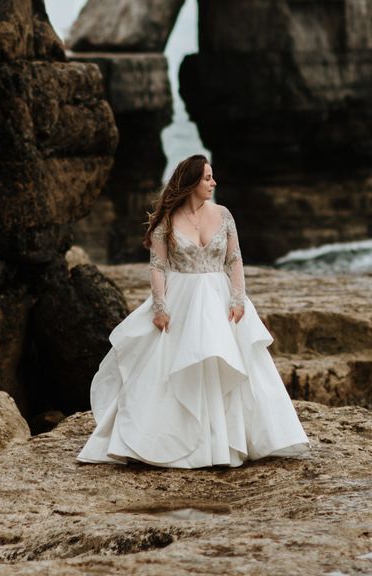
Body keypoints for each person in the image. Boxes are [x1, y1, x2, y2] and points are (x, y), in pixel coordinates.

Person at [77, 154, 310, 468]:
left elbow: (234, 260)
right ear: (190, 183)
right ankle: (173, 442)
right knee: (169, 367)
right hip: (181, 299)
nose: (213, 183)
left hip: (221, 299)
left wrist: (238, 298)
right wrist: (160, 307)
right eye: (206, 178)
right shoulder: (167, 222)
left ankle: (228, 443)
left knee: (227, 364)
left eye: (212, 177)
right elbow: (157, 267)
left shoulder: (224, 215)